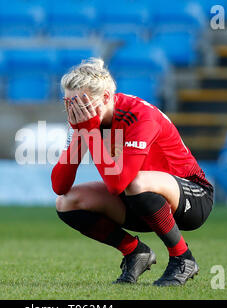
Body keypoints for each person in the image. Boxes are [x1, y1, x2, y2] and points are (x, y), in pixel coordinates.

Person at [51, 58, 214, 286]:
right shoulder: (86, 122)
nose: (76, 111)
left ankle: (182, 258)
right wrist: (82, 134)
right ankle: (135, 252)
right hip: (139, 201)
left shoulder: (139, 115)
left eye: (81, 104)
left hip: (193, 196)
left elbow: (119, 183)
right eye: (69, 104)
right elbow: (59, 185)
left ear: (106, 97)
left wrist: (89, 132)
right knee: (66, 202)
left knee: (134, 182)